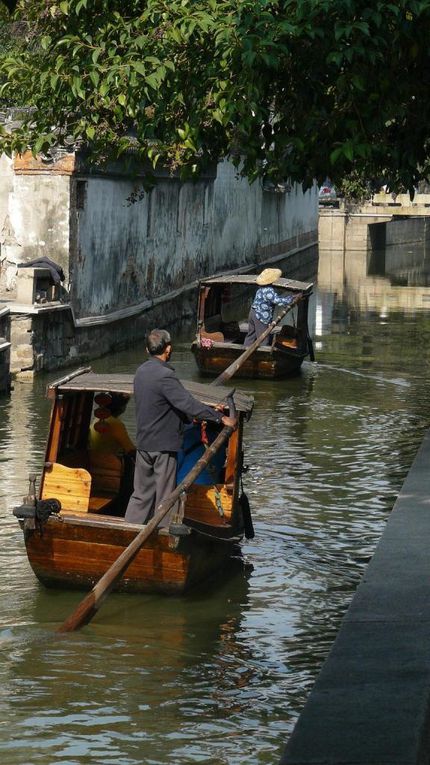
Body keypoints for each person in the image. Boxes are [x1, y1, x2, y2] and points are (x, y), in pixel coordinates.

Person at [125, 328, 236, 528]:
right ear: (168, 349)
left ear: (146, 350)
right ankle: (164, 532)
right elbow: (187, 404)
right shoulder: (165, 376)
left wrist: (202, 413)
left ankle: (129, 530)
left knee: (141, 494)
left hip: (144, 443)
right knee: (166, 495)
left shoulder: (140, 372)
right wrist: (219, 418)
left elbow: (166, 405)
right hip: (163, 446)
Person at [243, 267, 294, 347]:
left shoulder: (260, 289)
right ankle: (264, 352)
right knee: (263, 336)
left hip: (253, 313)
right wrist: (290, 299)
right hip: (260, 316)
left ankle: (244, 348)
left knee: (251, 334)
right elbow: (277, 301)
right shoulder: (268, 290)